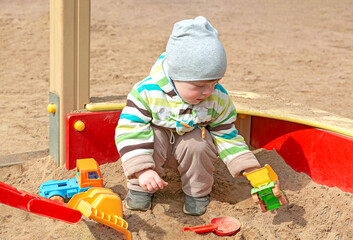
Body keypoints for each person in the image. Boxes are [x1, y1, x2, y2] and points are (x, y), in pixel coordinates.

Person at [115, 16, 260, 216]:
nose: (208, 91)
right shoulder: (147, 92)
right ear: (175, 75)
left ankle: (197, 193)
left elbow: (226, 134)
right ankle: (140, 188)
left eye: (214, 82)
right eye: (199, 86)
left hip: (191, 145)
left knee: (198, 144)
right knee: (153, 138)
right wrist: (141, 170)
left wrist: (250, 168)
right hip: (157, 146)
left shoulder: (217, 98)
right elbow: (129, 130)